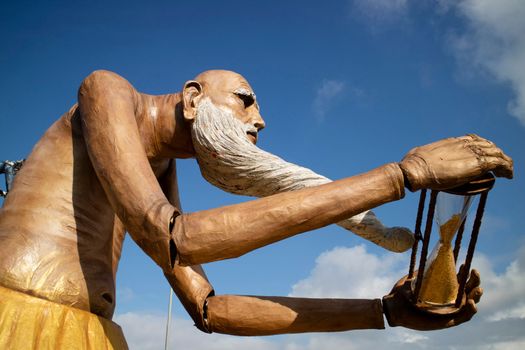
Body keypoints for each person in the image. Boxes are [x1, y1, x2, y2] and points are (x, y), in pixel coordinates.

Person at [0, 69, 513, 348]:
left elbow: (209, 310)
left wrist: (382, 312)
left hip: (87, 334)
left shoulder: (159, 172)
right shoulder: (106, 91)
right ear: (192, 97)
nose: (259, 120)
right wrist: (399, 177)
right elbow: (176, 239)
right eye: (246, 100)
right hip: (19, 320)